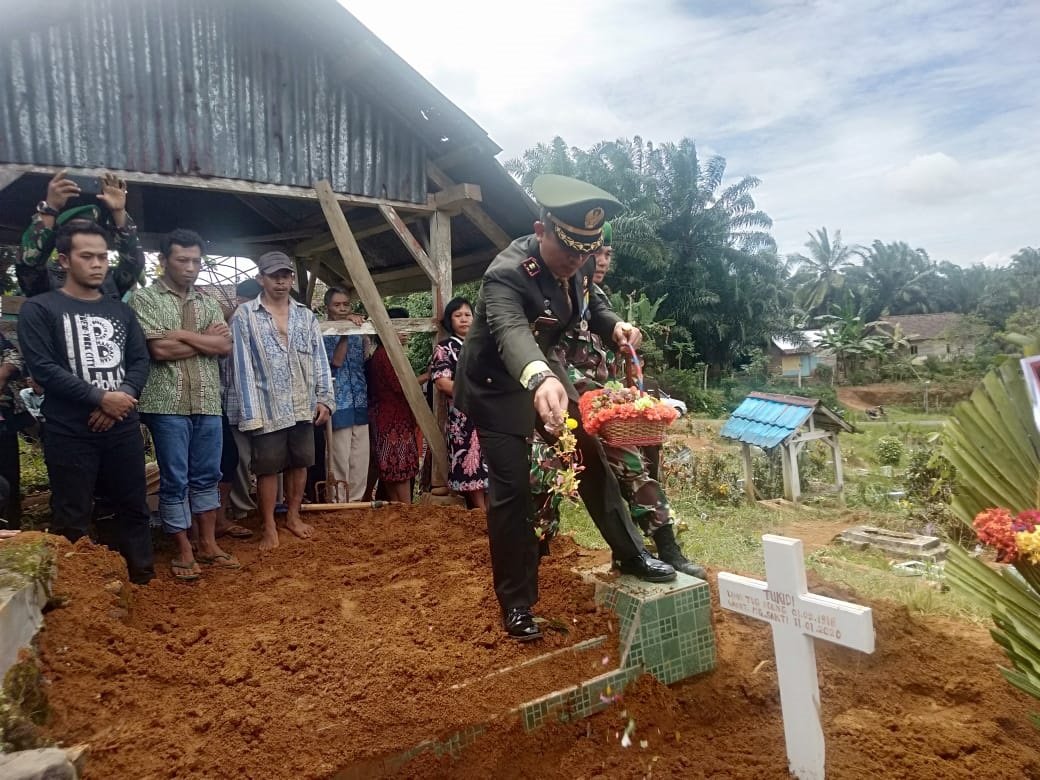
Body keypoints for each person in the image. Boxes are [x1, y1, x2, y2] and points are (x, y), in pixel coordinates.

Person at [455, 174, 675, 642]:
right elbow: (512, 331)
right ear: (541, 231)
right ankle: (516, 603)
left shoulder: (575, 265)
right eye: (568, 251)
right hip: (500, 389)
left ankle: (630, 552)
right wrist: (538, 377)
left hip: (550, 380)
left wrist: (616, 327)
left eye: (584, 253)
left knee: (592, 456)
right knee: (513, 492)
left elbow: (592, 307)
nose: (575, 262)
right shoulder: (506, 274)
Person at [563, 224, 705, 578]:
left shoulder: (597, 299)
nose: (602, 261)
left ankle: (660, 548)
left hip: (603, 406)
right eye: (596, 252)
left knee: (637, 462)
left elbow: (610, 350)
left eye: (608, 254)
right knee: (541, 487)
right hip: (561, 407)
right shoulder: (556, 295)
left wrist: (626, 337)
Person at [17, 220, 154, 584]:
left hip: (122, 426)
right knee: (72, 513)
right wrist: (99, 398)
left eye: (102, 257)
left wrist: (120, 399)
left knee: (133, 507)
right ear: (63, 260)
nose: (98, 264)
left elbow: (140, 361)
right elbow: (43, 368)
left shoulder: (121, 311)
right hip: (69, 431)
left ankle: (143, 581)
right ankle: (77, 596)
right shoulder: (40, 309)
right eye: (87, 256)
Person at [129, 229, 239, 582]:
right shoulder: (144, 300)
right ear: (163, 261)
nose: (191, 268)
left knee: (208, 475)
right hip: (166, 404)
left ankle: (207, 544)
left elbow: (225, 347)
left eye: (196, 261)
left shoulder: (207, 302)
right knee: (175, 479)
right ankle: (183, 549)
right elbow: (157, 351)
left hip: (207, 400)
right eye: (182, 260)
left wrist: (182, 335)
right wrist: (205, 340)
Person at [231, 251, 334, 551]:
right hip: (267, 406)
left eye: (286, 275)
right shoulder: (245, 315)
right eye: (274, 276)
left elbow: (319, 360)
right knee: (267, 468)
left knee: (300, 462)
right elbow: (241, 366)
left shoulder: (305, 315)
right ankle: (268, 526)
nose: (281, 281)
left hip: (302, 403)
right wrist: (251, 413)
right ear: (261, 279)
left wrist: (324, 399)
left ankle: (292, 516)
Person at [17, 170, 145, 300]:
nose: (86, 235)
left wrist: (118, 212)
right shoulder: (48, 280)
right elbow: (28, 264)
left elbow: (134, 263)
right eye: (77, 230)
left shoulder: (108, 281)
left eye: (91, 229)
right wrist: (50, 209)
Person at [430, 297, 487, 509]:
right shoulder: (444, 348)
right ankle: (480, 513)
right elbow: (443, 383)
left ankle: (494, 515)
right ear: (450, 320)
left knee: (492, 464)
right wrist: (479, 392)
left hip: (491, 414)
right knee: (472, 467)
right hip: (463, 417)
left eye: (467, 314)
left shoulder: (485, 344)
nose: (464, 319)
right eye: (458, 315)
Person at [218, 279, 262, 534]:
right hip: (235, 401)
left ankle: (250, 506)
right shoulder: (235, 323)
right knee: (241, 458)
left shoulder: (255, 320)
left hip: (254, 401)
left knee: (259, 457)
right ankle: (242, 508)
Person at [367, 307, 421, 503]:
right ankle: (405, 509)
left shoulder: (385, 353)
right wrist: (428, 375)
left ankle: (400, 508)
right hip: (391, 419)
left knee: (394, 466)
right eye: (400, 328)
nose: (405, 333)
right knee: (398, 466)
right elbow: (401, 386)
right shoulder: (385, 355)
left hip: (391, 417)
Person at [321, 287, 371, 503]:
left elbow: (365, 359)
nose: (342, 309)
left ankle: (356, 501)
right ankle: (338, 502)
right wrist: (345, 333)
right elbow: (336, 362)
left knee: (360, 457)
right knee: (339, 457)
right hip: (337, 402)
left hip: (359, 399)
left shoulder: (358, 331)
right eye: (337, 305)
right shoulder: (323, 331)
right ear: (328, 308)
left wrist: (360, 331)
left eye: (346, 304)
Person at [0, 333, 32, 527]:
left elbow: (15, 357)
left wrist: (2, 374)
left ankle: (10, 527)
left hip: (4, 421)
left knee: (8, 478)